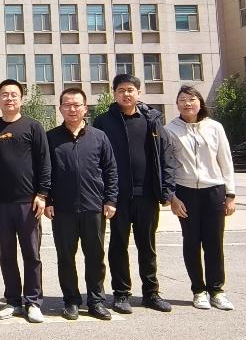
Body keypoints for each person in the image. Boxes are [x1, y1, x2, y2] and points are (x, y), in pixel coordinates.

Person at [93, 74, 174, 314]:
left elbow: (165, 155)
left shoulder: (152, 120)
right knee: (118, 245)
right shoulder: (103, 122)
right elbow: (97, 160)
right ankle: (121, 293)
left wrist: (166, 189)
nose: (126, 94)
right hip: (117, 196)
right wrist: (105, 194)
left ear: (139, 93)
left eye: (130, 90)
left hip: (147, 195)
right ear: (114, 94)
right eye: (121, 90)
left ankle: (151, 293)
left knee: (147, 246)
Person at [45, 88, 117, 322]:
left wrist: (111, 199)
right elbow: (45, 172)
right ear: (60, 108)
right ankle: (71, 301)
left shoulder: (99, 136)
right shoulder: (51, 138)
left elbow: (110, 170)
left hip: (94, 207)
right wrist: (48, 200)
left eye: (77, 105)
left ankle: (96, 301)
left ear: (85, 108)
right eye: (67, 105)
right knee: (66, 257)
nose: (72, 109)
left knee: (95, 256)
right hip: (62, 209)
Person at [0, 79, 50, 323]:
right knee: (7, 254)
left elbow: (44, 162)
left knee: (31, 254)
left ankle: (33, 302)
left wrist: (42, 194)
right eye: (4, 94)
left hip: (28, 203)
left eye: (13, 94)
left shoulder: (33, 126)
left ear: (21, 99)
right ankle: (12, 300)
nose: (9, 98)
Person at [166, 85, 236, 311]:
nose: (187, 103)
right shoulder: (170, 130)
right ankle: (198, 290)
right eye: (182, 100)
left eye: (192, 99)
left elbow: (225, 161)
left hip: (214, 190)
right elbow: (167, 166)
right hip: (185, 192)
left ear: (200, 102)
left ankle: (217, 290)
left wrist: (230, 194)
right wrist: (172, 197)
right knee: (191, 241)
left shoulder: (215, 127)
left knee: (214, 242)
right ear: (177, 104)